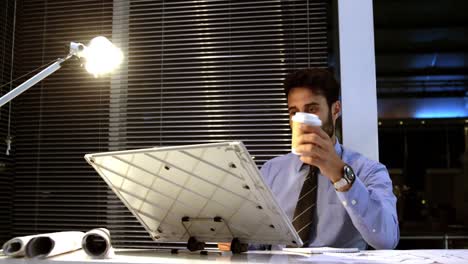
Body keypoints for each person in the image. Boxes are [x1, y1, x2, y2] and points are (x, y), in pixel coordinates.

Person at [219, 68, 399, 251]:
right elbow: (259, 243)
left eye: (311, 110)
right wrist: (237, 239)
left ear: (335, 110)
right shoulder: (271, 171)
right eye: (293, 112)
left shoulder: (369, 170)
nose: (301, 121)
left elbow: (386, 240)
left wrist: (340, 174)